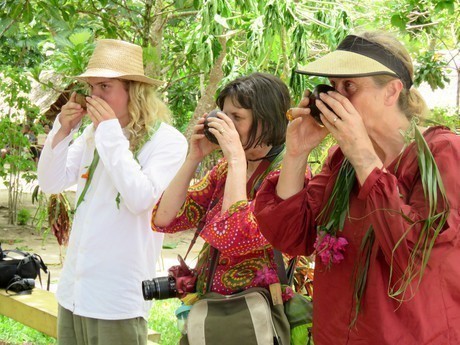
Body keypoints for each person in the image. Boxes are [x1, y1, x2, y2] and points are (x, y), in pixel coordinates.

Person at [253, 31, 460, 345]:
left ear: (392, 91)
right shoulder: (341, 160)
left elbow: (414, 259)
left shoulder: (442, 154)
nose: (335, 98)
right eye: (333, 86)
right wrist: (297, 152)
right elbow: (292, 236)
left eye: (349, 86)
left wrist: (363, 156)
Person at [37, 39, 188, 345]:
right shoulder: (94, 133)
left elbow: (141, 199)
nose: (94, 96)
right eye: (91, 87)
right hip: (74, 292)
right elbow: (52, 183)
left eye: (105, 87)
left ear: (133, 90)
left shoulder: (168, 142)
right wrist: (62, 132)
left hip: (117, 299)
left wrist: (107, 132)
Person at [151, 73, 292, 341]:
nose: (225, 125)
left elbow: (233, 237)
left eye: (236, 118)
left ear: (267, 120)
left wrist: (237, 157)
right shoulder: (224, 170)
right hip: (213, 312)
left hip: (254, 320)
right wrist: (193, 156)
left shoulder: (287, 174)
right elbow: (165, 219)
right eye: (223, 116)